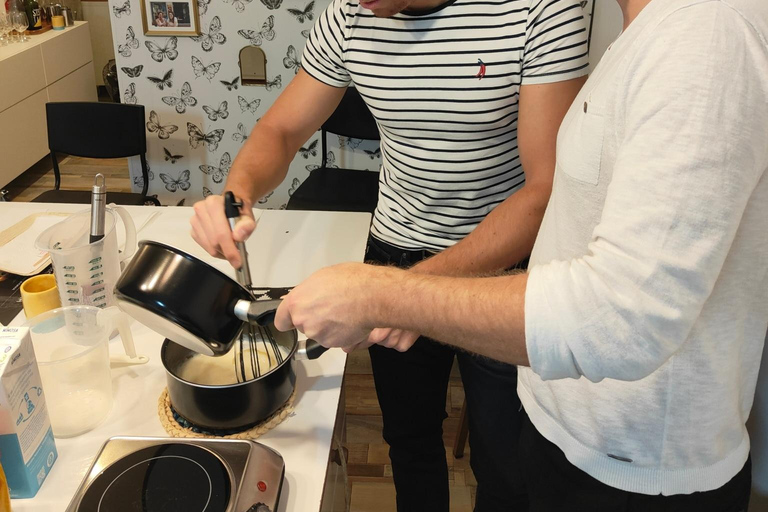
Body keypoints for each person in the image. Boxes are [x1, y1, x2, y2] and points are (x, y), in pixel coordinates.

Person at [273, 0, 768, 510]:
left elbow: (621, 314)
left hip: (631, 469)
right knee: (422, 439)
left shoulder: (705, 36)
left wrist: (388, 293)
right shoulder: (648, 31)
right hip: (574, 429)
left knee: (501, 469)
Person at [190, 0, 589, 509]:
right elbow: (281, 129)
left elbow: (545, 190)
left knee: (507, 460)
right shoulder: (350, 14)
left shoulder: (537, 11)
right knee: (409, 438)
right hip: (394, 254)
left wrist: (406, 294)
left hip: (502, 269)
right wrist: (237, 194)